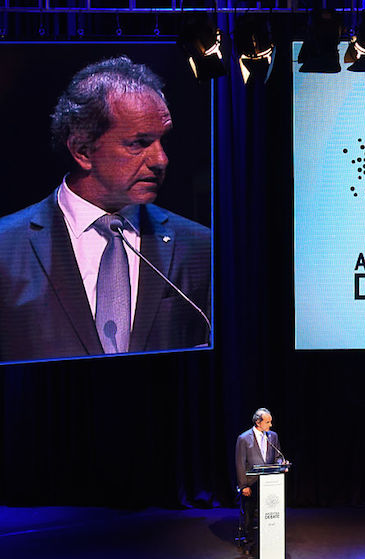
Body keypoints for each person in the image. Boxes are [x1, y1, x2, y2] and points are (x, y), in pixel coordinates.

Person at [0, 56, 210, 362]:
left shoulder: (200, 247)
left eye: (162, 141)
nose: (161, 160)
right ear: (83, 151)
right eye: (139, 143)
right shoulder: (6, 248)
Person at [235, 407, 287, 555]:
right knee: (249, 515)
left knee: (268, 513)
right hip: (251, 484)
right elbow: (240, 463)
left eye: (270, 422)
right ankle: (249, 543)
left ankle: (269, 541)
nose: (271, 425)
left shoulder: (273, 436)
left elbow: (278, 457)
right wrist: (243, 485)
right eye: (267, 422)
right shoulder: (244, 438)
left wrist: (281, 464)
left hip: (269, 484)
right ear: (258, 422)